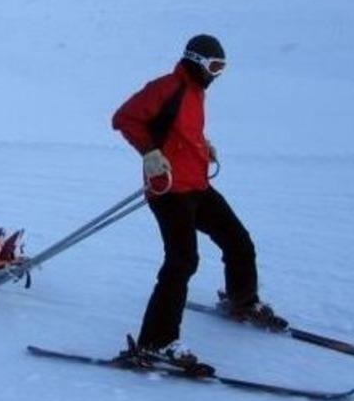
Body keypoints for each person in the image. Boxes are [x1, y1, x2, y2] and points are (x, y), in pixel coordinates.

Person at [111, 34, 286, 365]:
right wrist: (149, 152)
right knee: (182, 261)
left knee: (238, 240)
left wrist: (203, 146)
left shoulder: (195, 92)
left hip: (197, 186)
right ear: (197, 61)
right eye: (215, 67)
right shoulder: (166, 87)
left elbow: (179, 130)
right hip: (168, 191)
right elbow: (124, 117)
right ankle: (156, 342)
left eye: (222, 68)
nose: (217, 75)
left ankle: (242, 301)